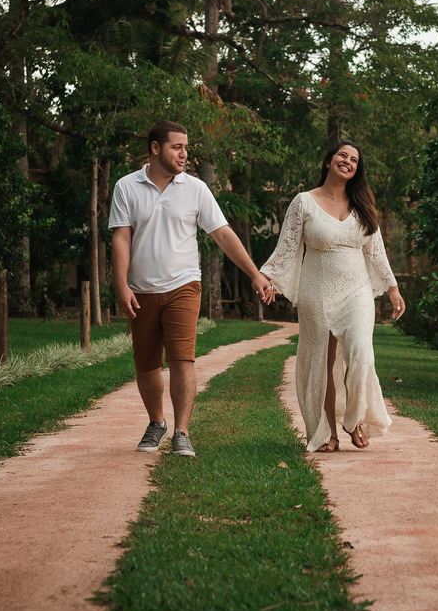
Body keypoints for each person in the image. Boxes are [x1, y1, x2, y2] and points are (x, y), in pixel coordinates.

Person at [109, 120, 272, 457]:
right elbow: (121, 237)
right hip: (141, 290)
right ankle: (157, 423)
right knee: (146, 364)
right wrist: (121, 285)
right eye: (177, 147)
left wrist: (255, 274)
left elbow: (223, 234)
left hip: (184, 284)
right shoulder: (126, 186)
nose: (184, 154)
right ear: (156, 148)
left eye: (186, 148)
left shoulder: (196, 189)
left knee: (182, 359)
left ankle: (182, 432)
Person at [258, 140, 407, 453]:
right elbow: (287, 247)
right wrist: (267, 277)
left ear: (356, 169)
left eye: (354, 160)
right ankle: (327, 433)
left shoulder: (363, 205)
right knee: (320, 362)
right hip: (317, 291)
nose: (348, 161)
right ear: (329, 161)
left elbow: (376, 251)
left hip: (357, 291)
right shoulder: (304, 202)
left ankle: (354, 419)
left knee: (361, 353)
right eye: (342, 155)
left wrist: (392, 288)